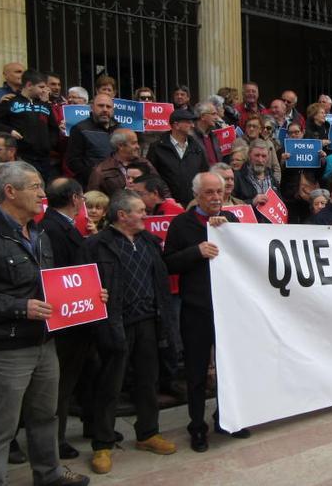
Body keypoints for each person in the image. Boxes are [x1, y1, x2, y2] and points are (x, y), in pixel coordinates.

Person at [0, 162, 93, 486]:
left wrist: (84, 294)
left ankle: (50, 475)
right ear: (10, 192)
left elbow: (49, 285)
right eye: (35, 187)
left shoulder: (39, 234)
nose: (42, 193)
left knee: (45, 417)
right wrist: (18, 307)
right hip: (4, 351)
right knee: (0, 430)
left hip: (43, 344)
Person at [78, 190, 176, 474]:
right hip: (114, 323)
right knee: (110, 385)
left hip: (148, 321)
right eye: (140, 211)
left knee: (148, 380)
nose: (146, 215)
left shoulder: (149, 242)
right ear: (122, 215)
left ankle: (148, 433)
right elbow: (82, 282)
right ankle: (102, 444)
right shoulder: (96, 245)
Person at [163, 172, 246, 453]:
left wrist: (227, 232)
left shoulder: (231, 221)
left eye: (219, 192)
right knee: (197, 371)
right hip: (197, 309)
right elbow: (169, 264)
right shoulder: (181, 224)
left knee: (229, 367)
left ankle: (225, 418)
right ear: (197, 195)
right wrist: (195, 252)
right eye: (209, 193)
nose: (215, 198)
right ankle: (197, 426)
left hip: (228, 308)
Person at [38, 178, 92, 460]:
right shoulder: (53, 228)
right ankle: (55, 441)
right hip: (65, 318)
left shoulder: (62, 225)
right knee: (61, 384)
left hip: (77, 315)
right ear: (74, 198)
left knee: (74, 378)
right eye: (82, 197)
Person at [0, 70, 59, 181]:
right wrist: (10, 131)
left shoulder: (44, 104)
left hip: (44, 157)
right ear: (29, 85)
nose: (44, 90)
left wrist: (50, 144)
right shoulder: (10, 101)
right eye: (41, 87)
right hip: (22, 155)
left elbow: (53, 127)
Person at [147, 109, 209, 206]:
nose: (192, 125)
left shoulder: (197, 148)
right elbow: (151, 177)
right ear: (176, 125)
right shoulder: (157, 148)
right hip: (167, 205)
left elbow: (205, 174)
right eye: (188, 122)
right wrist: (167, 200)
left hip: (194, 205)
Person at [66, 94, 120, 187]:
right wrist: (95, 176)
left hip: (118, 184)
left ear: (113, 110)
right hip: (92, 186)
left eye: (108, 106)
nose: (105, 109)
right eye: (101, 105)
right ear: (91, 108)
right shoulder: (80, 129)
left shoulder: (120, 129)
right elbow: (73, 161)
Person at [88, 129, 157, 197]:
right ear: (120, 146)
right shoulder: (101, 171)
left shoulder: (145, 163)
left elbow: (160, 187)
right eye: (133, 143)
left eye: (137, 142)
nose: (138, 146)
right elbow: (93, 200)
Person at [231, 114, 281, 183]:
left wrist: (275, 185)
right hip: (243, 184)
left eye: (254, 126)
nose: (251, 129)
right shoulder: (237, 143)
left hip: (266, 184)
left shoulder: (268, 144)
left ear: (260, 129)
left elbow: (276, 168)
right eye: (249, 126)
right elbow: (233, 165)